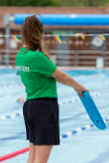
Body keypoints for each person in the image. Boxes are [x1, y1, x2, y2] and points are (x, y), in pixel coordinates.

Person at [16, 15, 89, 163]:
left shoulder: (20, 55)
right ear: (39, 33)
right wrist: (79, 88)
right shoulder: (37, 57)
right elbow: (60, 75)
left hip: (30, 106)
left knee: (33, 154)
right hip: (43, 107)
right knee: (41, 158)